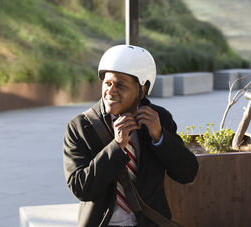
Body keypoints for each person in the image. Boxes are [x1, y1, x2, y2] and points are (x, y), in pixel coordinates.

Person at [63, 44, 199, 227]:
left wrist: (160, 137)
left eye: (120, 85)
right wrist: (116, 146)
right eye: (107, 83)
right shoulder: (80, 127)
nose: (110, 92)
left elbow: (188, 173)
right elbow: (81, 188)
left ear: (142, 90)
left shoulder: (160, 119)